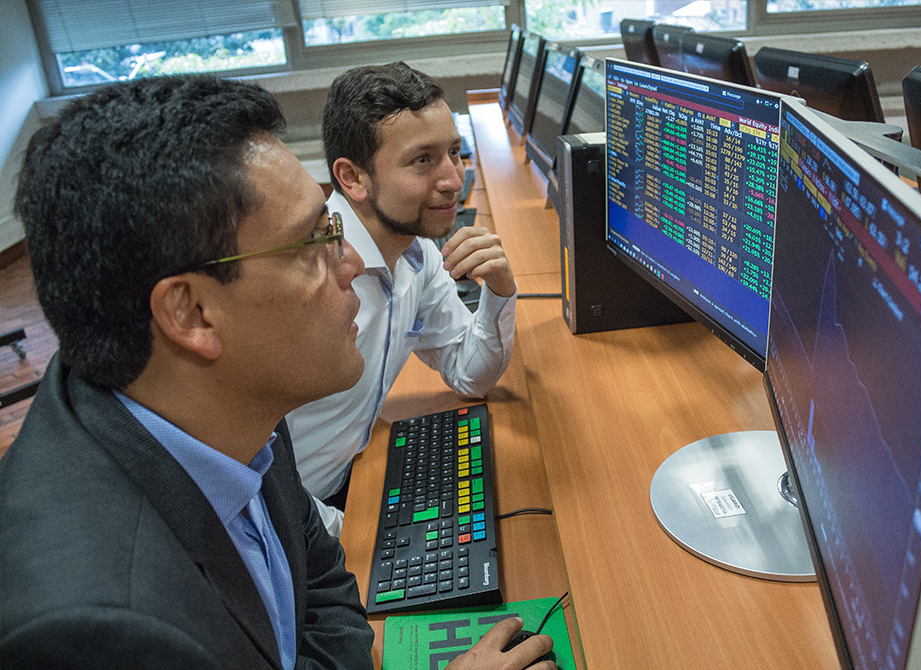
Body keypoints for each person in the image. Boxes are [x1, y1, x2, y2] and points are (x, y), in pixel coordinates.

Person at [0, 75, 552, 670]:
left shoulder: (239, 413)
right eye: (311, 242)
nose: (351, 264)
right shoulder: (102, 634)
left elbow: (324, 594)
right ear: (191, 312)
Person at [287, 63, 518, 535]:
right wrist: (350, 534)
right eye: (422, 160)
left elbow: (468, 374)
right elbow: (242, 473)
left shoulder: (417, 254)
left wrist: (499, 291)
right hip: (298, 521)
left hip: (347, 481)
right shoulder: (303, 284)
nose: (453, 179)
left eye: (453, 152)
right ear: (353, 178)